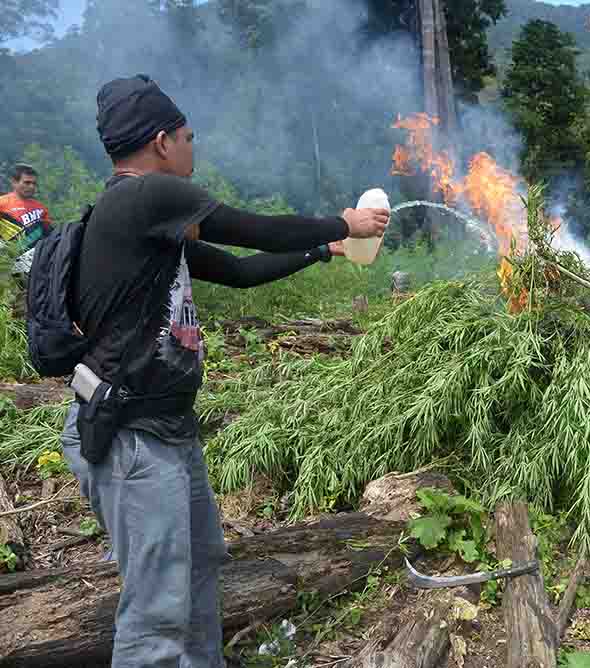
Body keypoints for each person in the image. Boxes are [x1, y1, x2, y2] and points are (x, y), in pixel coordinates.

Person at [57, 75, 387, 668]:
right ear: (162, 143)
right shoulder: (144, 197)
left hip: (166, 430)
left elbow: (238, 269)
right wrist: (343, 224)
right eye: (188, 136)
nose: (192, 145)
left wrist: (323, 251)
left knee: (203, 566)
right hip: (130, 436)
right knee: (155, 614)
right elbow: (250, 226)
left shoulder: (153, 226)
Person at [0, 163, 52, 276]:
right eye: (27, 182)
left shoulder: (40, 208)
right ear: (14, 182)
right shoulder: (2, 203)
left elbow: (48, 234)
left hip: (41, 261)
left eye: (34, 183)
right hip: (13, 261)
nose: (31, 187)